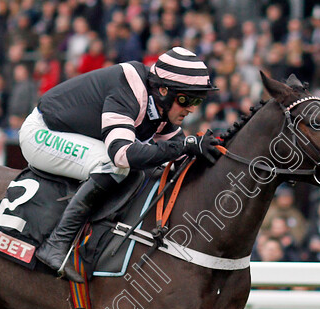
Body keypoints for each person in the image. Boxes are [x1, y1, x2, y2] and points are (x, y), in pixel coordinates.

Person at [18, 47, 222, 282]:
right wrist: (184, 145)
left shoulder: (160, 106)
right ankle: (57, 242)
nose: (192, 108)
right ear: (164, 91)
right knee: (115, 165)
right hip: (42, 133)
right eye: (187, 99)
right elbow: (122, 154)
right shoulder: (129, 88)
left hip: (71, 134)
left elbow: (181, 156)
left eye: (198, 100)